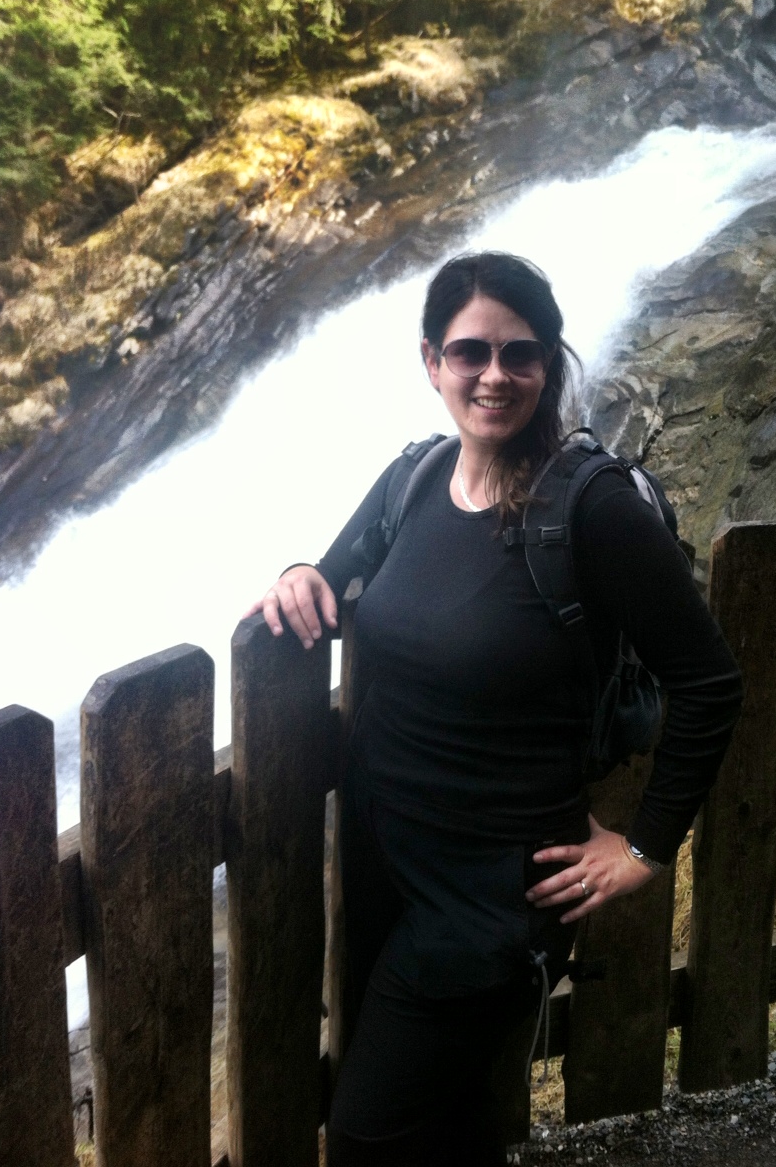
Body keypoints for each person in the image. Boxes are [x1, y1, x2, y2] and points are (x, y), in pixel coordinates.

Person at [245, 251, 743, 1167]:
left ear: (549, 364)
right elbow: (334, 567)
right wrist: (295, 573)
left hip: (492, 897)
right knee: (458, 1119)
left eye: (521, 353)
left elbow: (710, 683)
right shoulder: (417, 477)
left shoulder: (590, 508)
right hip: (389, 871)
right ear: (431, 362)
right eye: (470, 351)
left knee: (366, 1132)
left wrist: (643, 847)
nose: (495, 375)